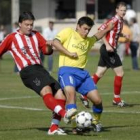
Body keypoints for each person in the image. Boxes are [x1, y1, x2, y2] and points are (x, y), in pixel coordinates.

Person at [0, 11, 77, 135]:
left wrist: (50, 45)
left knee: (60, 94)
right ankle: (64, 114)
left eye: (31, 24)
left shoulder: (36, 35)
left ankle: (54, 128)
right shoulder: (11, 37)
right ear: (20, 24)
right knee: (46, 90)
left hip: (40, 69)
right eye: (27, 25)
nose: (30, 27)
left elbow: (46, 51)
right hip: (27, 71)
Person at [52, 16, 114, 133]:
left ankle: (96, 122)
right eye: (85, 29)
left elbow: (98, 35)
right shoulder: (68, 32)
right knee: (71, 96)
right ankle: (75, 127)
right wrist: (69, 53)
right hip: (66, 71)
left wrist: (108, 29)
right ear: (78, 26)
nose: (86, 32)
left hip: (82, 74)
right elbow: (55, 42)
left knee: (98, 100)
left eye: (89, 30)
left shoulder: (88, 41)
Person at [80, 2, 129, 108]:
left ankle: (84, 94)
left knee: (99, 74)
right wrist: (107, 45)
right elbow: (101, 30)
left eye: (125, 10)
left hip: (109, 50)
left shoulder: (121, 20)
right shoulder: (113, 20)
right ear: (116, 10)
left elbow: (114, 32)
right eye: (121, 10)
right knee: (120, 73)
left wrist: (122, 34)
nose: (123, 12)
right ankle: (116, 99)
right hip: (108, 50)